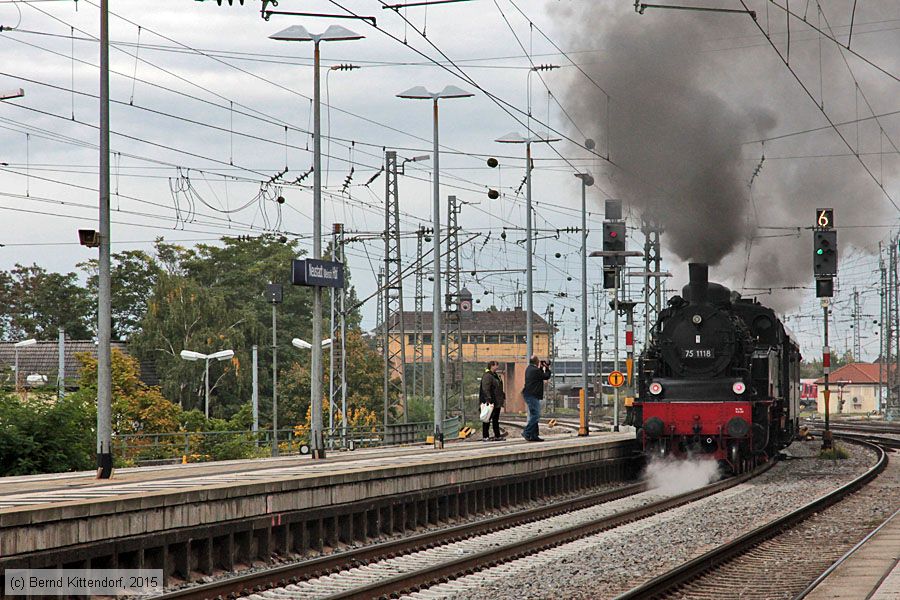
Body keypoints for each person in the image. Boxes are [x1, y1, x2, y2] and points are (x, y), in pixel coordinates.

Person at [522, 355, 551, 441]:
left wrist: (541, 368)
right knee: (536, 415)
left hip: (530, 394)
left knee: (533, 415)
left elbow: (540, 375)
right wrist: (547, 368)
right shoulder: (534, 370)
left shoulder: (529, 369)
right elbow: (546, 376)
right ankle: (527, 432)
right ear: (537, 362)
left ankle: (534, 435)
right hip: (532, 395)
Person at [479, 360, 505, 441]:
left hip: (496, 401)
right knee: (487, 418)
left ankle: (497, 435)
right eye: (496, 365)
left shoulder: (495, 375)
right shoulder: (487, 376)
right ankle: (485, 436)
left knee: (495, 419)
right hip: (491, 401)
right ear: (492, 366)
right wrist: (488, 399)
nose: (497, 367)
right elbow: (485, 388)